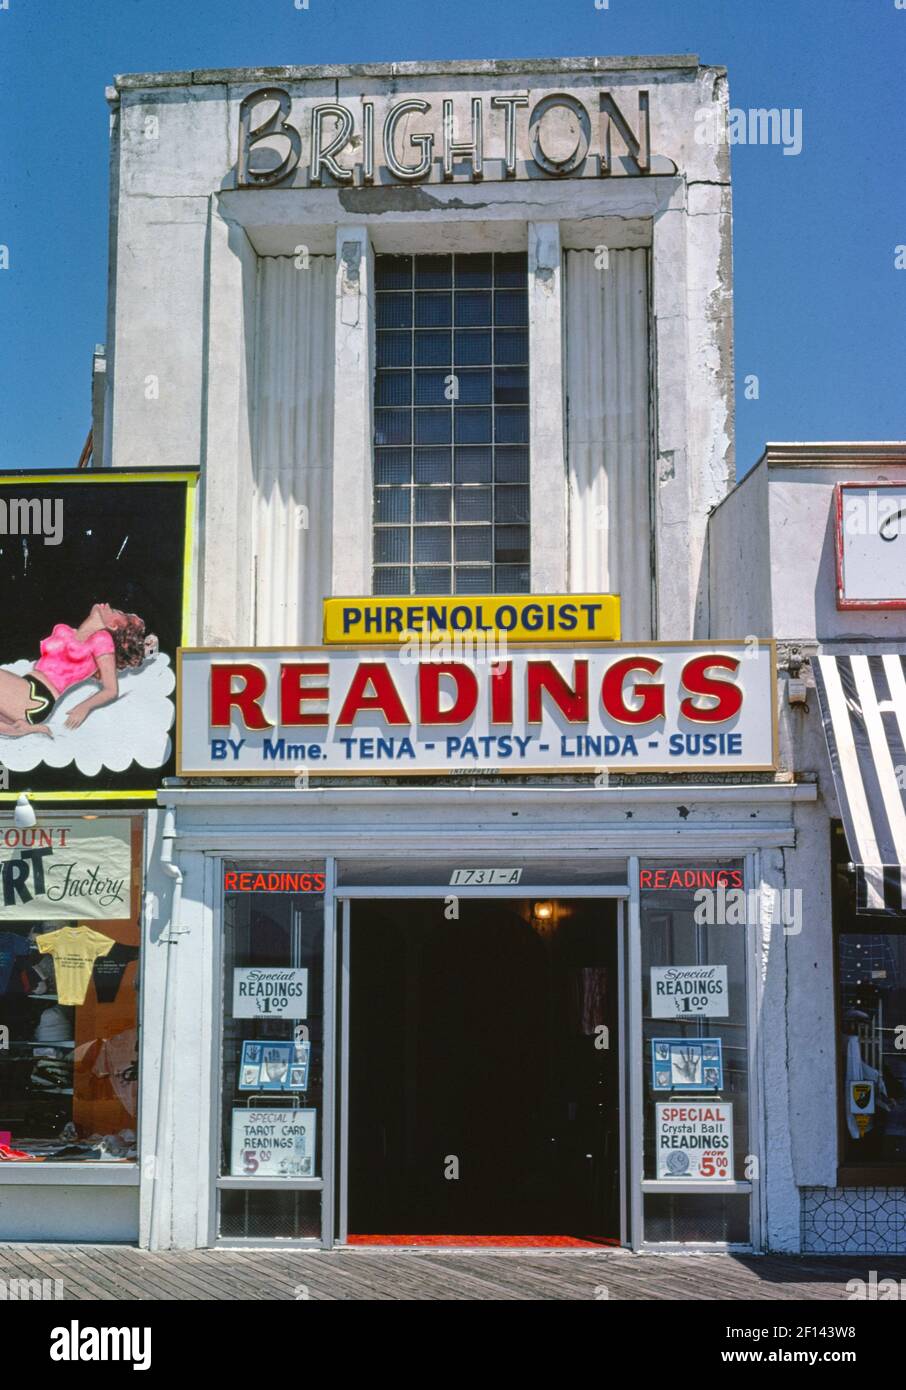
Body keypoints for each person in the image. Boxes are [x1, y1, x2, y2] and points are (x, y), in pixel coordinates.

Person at [0, 602, 158, 738]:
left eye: (117, 612)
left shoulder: (102, 640)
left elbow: (111, 690)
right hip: (25, 689)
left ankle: (19, 729)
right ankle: (17, 729)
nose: (108, 606)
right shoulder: (68, 631)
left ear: (113, 625)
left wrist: (84, 707)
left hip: (36, 697)